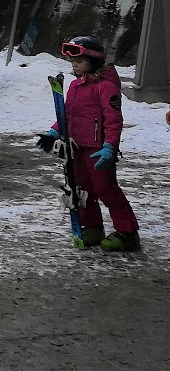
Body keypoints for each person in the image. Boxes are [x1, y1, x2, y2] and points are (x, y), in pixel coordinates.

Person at [37, 36, 140, 252]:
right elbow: (67, 113)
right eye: (72, 62)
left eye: (79, 61)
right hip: (77, 147)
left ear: (93, 61)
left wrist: (110, 147)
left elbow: (113, 121)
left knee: (106, 189)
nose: (74, 65)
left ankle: (128, 232)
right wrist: (53, 132)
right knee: (82, 190)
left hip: (98, 150)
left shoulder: (106, 87)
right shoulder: (75, 85)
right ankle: (93, 226)